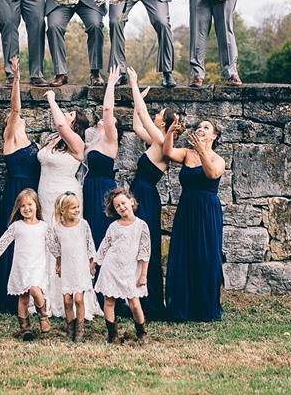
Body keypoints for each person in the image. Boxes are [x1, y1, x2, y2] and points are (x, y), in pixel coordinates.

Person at [40, 90, 102, 320]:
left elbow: (59, 124)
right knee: (48, 240)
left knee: (65, 240)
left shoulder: (76, 142)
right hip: (45, 193)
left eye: (70, 113)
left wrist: (51, 99)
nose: (65, 114)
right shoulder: (54, 140)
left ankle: (69, 296)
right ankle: (46, 295)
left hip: (64, 193)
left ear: (74, 124)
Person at [162, 118, 226, 322]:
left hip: (207, 210)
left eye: (206, 128)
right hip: (187, 208)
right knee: (185, 252)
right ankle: (182, 306)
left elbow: (212, 173)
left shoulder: (218, 159)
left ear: (214, 136)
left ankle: (204, 307)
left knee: (205, 254)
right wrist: (170, 132)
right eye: (199, 127)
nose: (201, 129)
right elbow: (168, 152)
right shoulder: (187, 153)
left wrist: (203, 152)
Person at [126, 67, 176, 319]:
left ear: (163, 123)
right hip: (140, 192)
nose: (155, 114)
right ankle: (134, 296)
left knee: (145, 246)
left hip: (146, 196)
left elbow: (144, 117)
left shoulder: (162, 139)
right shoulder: (156, 139)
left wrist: (134, 84)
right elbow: (137, 124)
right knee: (134, 245)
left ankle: (149, 301)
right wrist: (139, 101)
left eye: (159, 114)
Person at [0, 56, 42, 312]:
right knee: (16, 240)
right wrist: (16, 78)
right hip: (17, 191)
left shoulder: (30, 141)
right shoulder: (11, 135)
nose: (18, 117)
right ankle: (14, 294)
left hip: (33, 192)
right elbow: (16, 109)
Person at [0, 189, 51, 340]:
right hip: (21, 267)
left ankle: (43, 317)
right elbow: (2, 243)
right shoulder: (17, 226)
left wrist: (60, 261)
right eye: (22, 205)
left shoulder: (44, 226)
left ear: (37, 205)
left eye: (30, 204)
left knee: (35, 290)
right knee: (23, 298)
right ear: (18, 209)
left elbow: (54, 246)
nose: (26, 208)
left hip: (37, 266)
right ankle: (25, 329)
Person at [95, 187, 151, 344]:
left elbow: (145, 252)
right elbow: (104, 246)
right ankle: (112, 335)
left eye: (123, 203)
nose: (121, 207)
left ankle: (141, 333)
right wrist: (95, 264)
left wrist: (143, 275)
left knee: (134, 303)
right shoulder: (114, 226)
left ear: (131, 202)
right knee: (109, 301)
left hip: (130, 271)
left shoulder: (141, 226)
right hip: (111, 268)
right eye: (117, 206)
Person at [45, 192, 98, 342]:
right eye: (73, 208)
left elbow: (90, 244)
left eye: (78, 207)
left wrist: (92, 263)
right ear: (63, 210)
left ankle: (80, 330)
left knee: (79, 299)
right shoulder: (57, 228)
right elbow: (54, 246)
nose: (77, 210)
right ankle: (70, 327)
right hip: (67, 268)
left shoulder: (83, 225)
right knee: (67, 300)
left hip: (80, 267)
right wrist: (58, 262)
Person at [82, 67, 120, 251]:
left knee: (100, 232)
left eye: (110, 120)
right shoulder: (92, 141)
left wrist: (111, 84)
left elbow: (107, 109)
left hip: (103, 191)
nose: (105, 119)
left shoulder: (109, 141)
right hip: (88, 188)